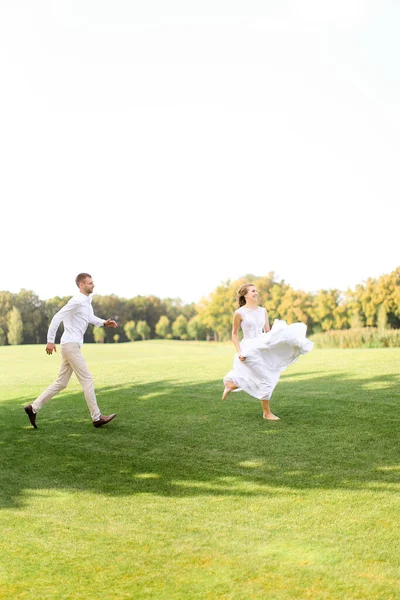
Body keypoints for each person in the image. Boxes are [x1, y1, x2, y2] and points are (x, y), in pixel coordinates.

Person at [24, 273, 118, 429]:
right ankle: (96, 417)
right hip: (71, 345)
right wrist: (50, 340)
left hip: (70, 345)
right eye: (90, 283)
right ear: (81, 285)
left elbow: (90, 318)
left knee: (61, 382)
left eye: (92, 282)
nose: (93, 285)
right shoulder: (76, 301)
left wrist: (104, 323)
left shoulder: (87, 301)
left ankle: (33, 408)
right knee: (87, 380)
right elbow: (57, 317)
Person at [222, 283, 313, 420]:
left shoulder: (263, 311)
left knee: (269, 374)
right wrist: (240, 352)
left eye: (256, 291)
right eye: (253, 291)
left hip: (261, 345)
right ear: (245, 295)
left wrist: (280, 341)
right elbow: (234, 335)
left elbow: (268, 332)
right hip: (248, 349)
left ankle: (233, 384)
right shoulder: (239, 313)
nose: (256, 293)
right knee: (266, 379)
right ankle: (266, 413)